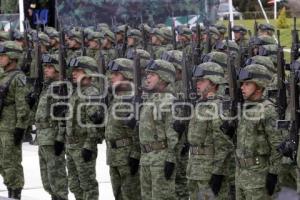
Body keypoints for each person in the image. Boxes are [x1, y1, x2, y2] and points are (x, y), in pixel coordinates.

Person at [55, 56, 102, 200]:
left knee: (88, 185)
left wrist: (89, 145)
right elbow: (68, 118)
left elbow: (95, 124)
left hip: (82, 146)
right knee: (75, 185)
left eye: (78, 71)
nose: (73, 74)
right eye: (73, 71)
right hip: (71, 145)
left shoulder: (91, 93)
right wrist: (60, 138)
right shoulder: (76, 92)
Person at [187, 62, 234, 200]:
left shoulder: (218, 106)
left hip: (209, 172)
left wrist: (218, 173)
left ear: (213, 83)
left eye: (202, 80)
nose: (198, 83)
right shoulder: (201, 104)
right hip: (195, 169)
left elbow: (224, 144)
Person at [236, 64, 283, 199]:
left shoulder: (268, 110)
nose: (242, 87)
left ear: (259, 86)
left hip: (259, 178)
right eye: (242, 84)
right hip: (241, 175)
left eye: (247, 84)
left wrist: (273, 174)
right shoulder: (246, 107)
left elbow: (277, 145)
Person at [139, 59, 178, 200]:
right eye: (147, 74)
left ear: (163, 77)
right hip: (146, 158)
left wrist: (171, 159)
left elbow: (173, 136)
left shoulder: (169, 101)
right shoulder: (149, 100)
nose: (147, 77)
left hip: (160, 160)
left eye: (152, 75)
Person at [105, 58, 141, 200]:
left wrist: (135, 155)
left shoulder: (131, 100)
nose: (111, 77)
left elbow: (138, 131)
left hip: (127, 158)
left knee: (131, 196)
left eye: (116, 74)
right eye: (111, 73)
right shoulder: (116, 98)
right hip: (114, 157)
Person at [35, 53, 68, 200]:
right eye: (45, 67)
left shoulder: (59, 88)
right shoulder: (47, 86)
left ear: (57, 69)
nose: (46, 70)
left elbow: (63, 116)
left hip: (52, 137)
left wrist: (60, 138)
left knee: (57, 178)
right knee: (47, 180)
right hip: (42, 137)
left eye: (49, 67)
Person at [0, 41, 30, 199]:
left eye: (4, 55)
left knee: (11, 162)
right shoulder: (3, 75)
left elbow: (22, 105)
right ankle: (9, 185)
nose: (1, 58)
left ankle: (15, 190)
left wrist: (20, 127)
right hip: (1, 124)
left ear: (12, 57)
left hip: (11, 126)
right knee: (2, 162)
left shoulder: (18, 78)